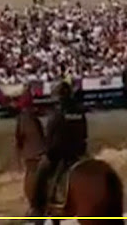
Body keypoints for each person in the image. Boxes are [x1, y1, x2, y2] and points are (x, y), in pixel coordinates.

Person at [31, 83, 88, 222]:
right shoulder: (79, 111)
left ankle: (37, 208)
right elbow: (85, 132)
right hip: (79, 152)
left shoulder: (57, 112)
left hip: (60, 153)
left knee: (41, 172)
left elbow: (50, 135)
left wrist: (47, 150)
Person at [15, 104, 45, 215]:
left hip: (31, 154)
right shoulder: (34, 119)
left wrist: (19, 154)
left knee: (31, 178)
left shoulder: (23, 120)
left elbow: (19, 139)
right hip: (39, 152)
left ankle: (34, 206)